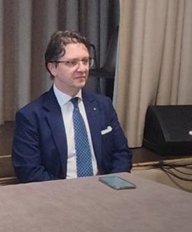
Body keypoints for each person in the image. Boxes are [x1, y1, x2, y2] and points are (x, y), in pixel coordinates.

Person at [11, 30, 132, 183]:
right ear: (53, 68)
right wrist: (71, 193)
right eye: (72, 63)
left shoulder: (103, 105)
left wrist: (112, 185)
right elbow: (29, 172)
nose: (82, 69)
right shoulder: (31, 116)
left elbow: (121, 154)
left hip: (105, 189)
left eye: (85, 61)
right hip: (59, 193)